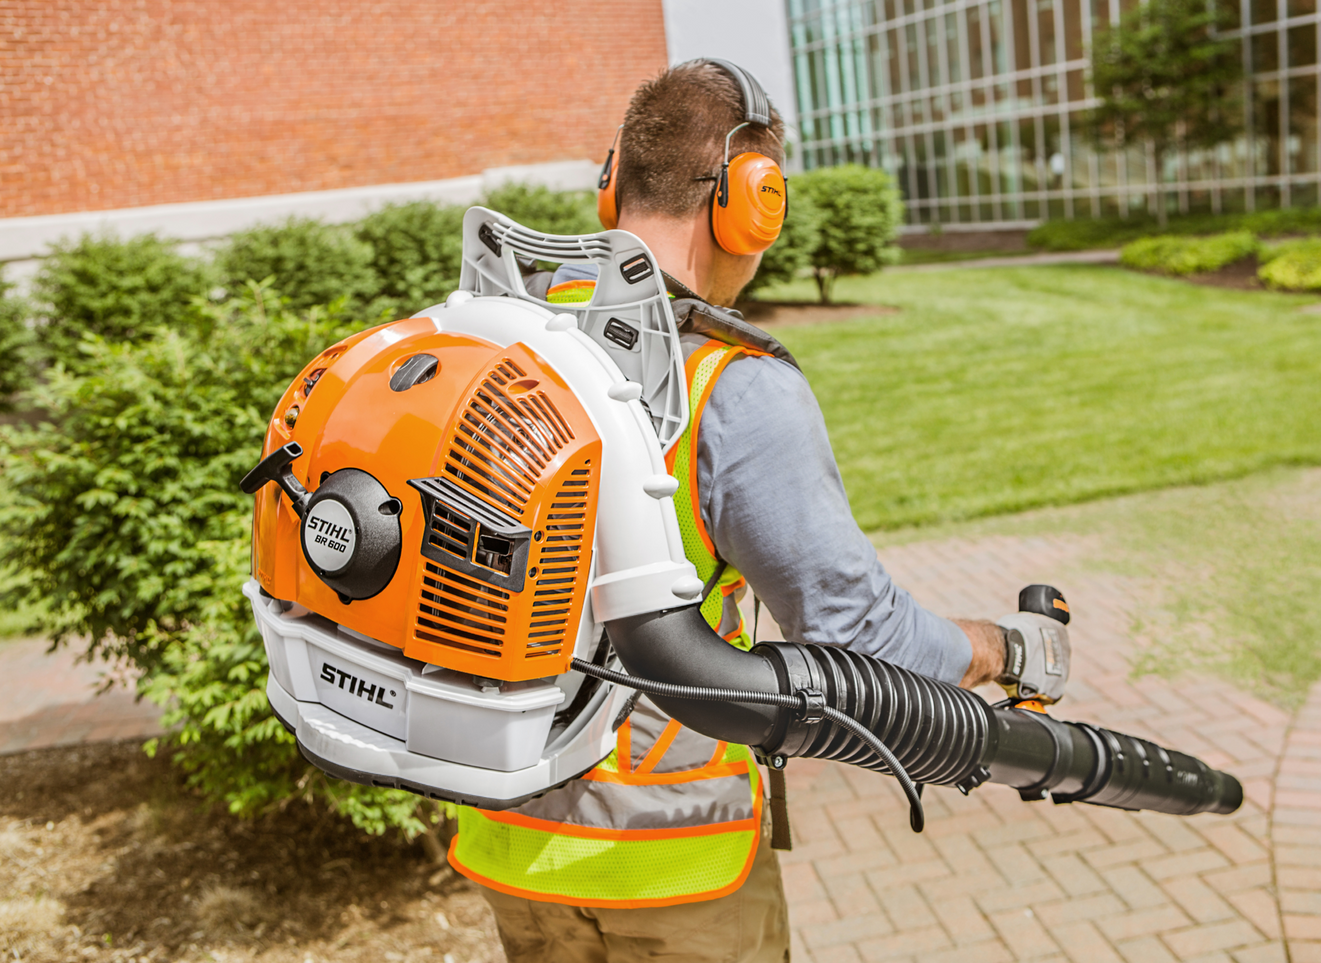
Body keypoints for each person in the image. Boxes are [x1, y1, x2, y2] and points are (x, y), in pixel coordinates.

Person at [445, 59, 1069, 963]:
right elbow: (860, 639)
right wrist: (1005, 646)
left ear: (612, 182)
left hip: (509, 847)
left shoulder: (501, 343)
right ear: (753, 200)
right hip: (669, 865)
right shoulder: (728, 386)